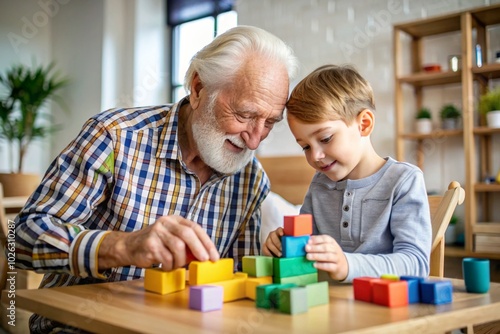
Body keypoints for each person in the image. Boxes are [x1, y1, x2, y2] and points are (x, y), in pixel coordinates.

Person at [14, 25, 298, 332]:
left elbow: (238, 283)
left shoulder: (251, 179)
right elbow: (22, 239)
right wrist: (122, 247)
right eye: (244, 115)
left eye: (269, 123)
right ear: (199, 88)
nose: (255, 141)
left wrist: (279, 262)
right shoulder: (114, 138)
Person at [263, 64, 431, 283]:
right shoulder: (319, 186)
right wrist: (285, 247)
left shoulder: (403, 181)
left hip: (386, 310)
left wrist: (347, 264)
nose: (315, 156)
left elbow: (415, 265)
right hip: (329, 307)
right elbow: (307, 253)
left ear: (364, 124)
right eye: (305, 146)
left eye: (325, 139)